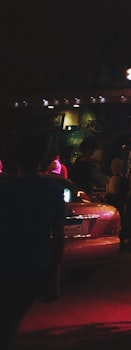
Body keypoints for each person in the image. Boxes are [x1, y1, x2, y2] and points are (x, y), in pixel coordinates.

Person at [0, 135, 65, 348]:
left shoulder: (5, 191)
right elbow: (58, 235)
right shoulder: (54, 191)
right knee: (11, 319)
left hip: (7, 264)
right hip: (36, 266)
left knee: (7, 321)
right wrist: (55, 271)